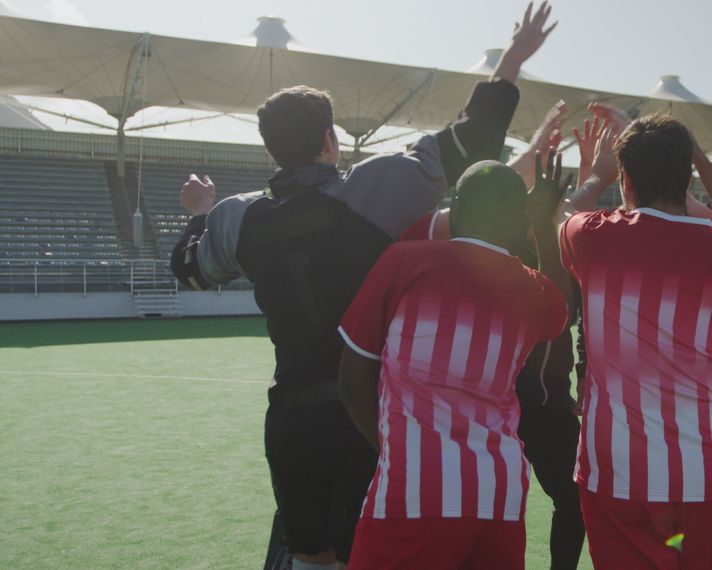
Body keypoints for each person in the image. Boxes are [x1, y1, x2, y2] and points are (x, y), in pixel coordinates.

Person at [170, 4, 557, 568]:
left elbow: (189, 270)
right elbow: (472, 138)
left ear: (270, 147)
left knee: (308, 554)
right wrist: (514, 58)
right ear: (330, 138)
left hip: (291, 418)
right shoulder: (372, 190)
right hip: (367, 416)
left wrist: (200, 212)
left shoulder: (236, 217)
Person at [560, 114, 712, 569]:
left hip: (616, 476)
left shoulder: (591, 237)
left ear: (625, 180)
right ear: (687, 176)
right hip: (706, 478)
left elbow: (565, 212)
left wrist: (596, 173)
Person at [336, 156, 574, 570]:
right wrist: (545, 225)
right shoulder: (530, 288)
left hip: (415, 490)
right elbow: (562, 307)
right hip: (499, 491)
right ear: (521, 220)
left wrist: (394, 448)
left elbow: (353, 381)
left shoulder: (403, 261)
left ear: (457, 208)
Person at [399, 105, 587, 569]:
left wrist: (552, 216)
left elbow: (560, 312)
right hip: (483, 406)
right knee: (478, 505)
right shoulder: (464, 244)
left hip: (544, 405)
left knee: (573, 497)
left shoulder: (554, 245)